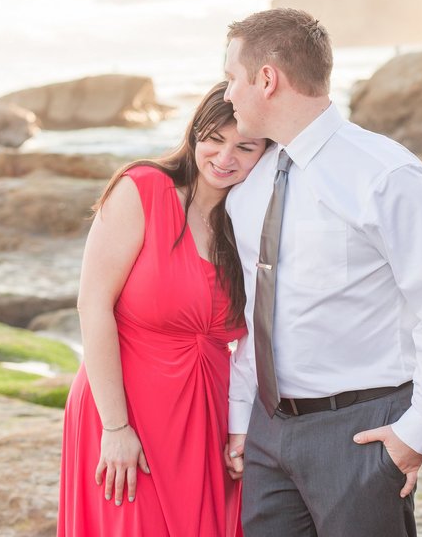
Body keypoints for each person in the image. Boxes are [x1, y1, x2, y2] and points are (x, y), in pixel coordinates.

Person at [222, 8, 422, 537]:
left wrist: (418, 432)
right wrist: (241, 417)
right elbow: (256, 308)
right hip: (268, 435)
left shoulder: (387, 174)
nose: (226, 95)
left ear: (266, 79)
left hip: (361, 433)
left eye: (231, 78)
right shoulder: (249, 183)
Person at [57, 81, 267, 537]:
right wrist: (115, 427)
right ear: (194, 133)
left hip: (207, 421)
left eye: (245, 147)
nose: (225, 157)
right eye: (214, 138)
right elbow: (93, 304)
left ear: (264, 154)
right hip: (125, 408)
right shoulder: (144, 188)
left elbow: (256, 338)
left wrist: (239, 425)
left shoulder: (248, 225)